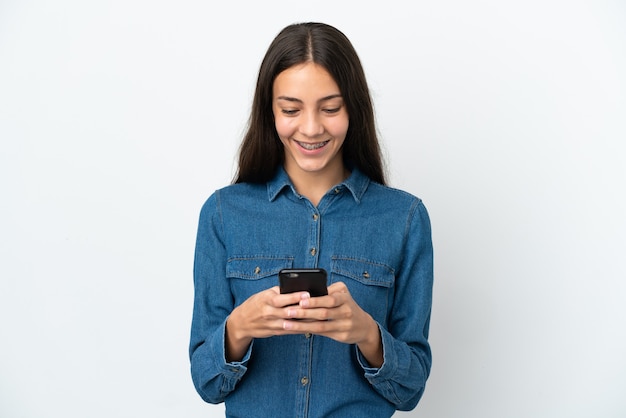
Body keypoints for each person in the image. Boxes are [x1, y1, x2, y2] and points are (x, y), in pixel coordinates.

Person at [189, 22, 434, 417]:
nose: (311, 127)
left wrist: (367, 335)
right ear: (270, 111)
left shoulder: (404, 219)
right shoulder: (223, 214)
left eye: (331, 108)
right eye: (290, 109)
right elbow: (207, 382)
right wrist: (239, 328)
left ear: (353, 108)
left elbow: (410, 390)